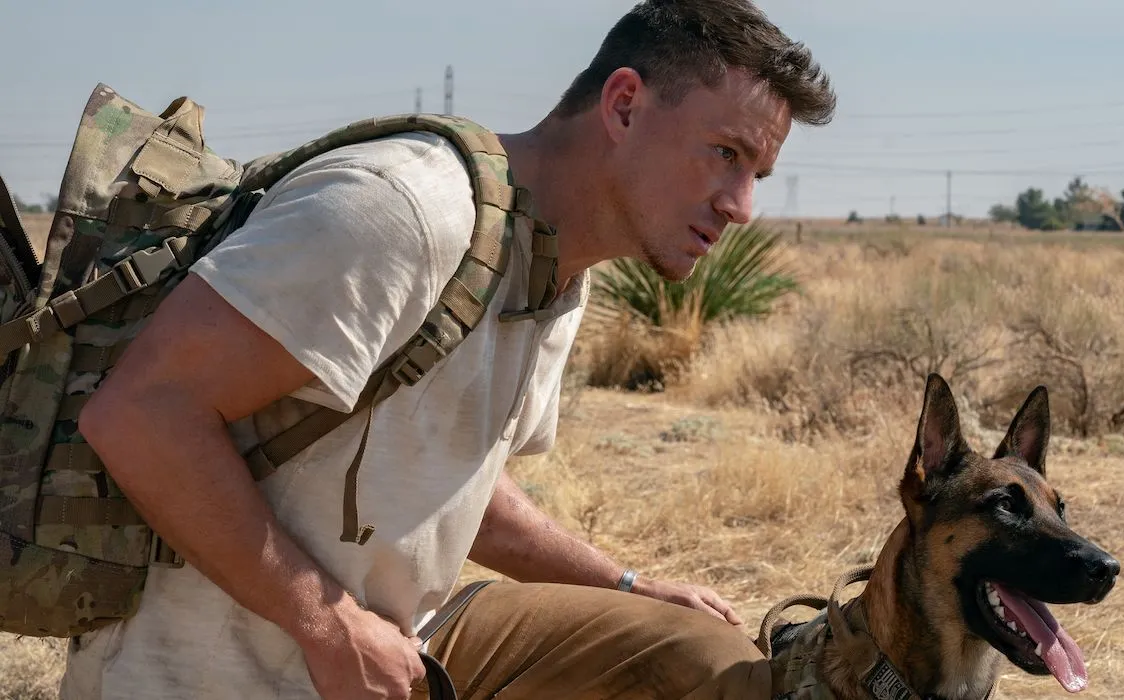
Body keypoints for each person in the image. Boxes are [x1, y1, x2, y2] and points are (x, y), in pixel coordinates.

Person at [60, 0, 835, 698]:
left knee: (702, 657)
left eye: (759, 173)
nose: (742, 207)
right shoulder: (400, 212)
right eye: (726, 154)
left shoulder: (555, 267)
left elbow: (449, 477)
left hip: (394, 649)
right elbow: (140, 414)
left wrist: (624, 585)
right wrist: (327, 627)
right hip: (219, 673)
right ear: (625, 105)